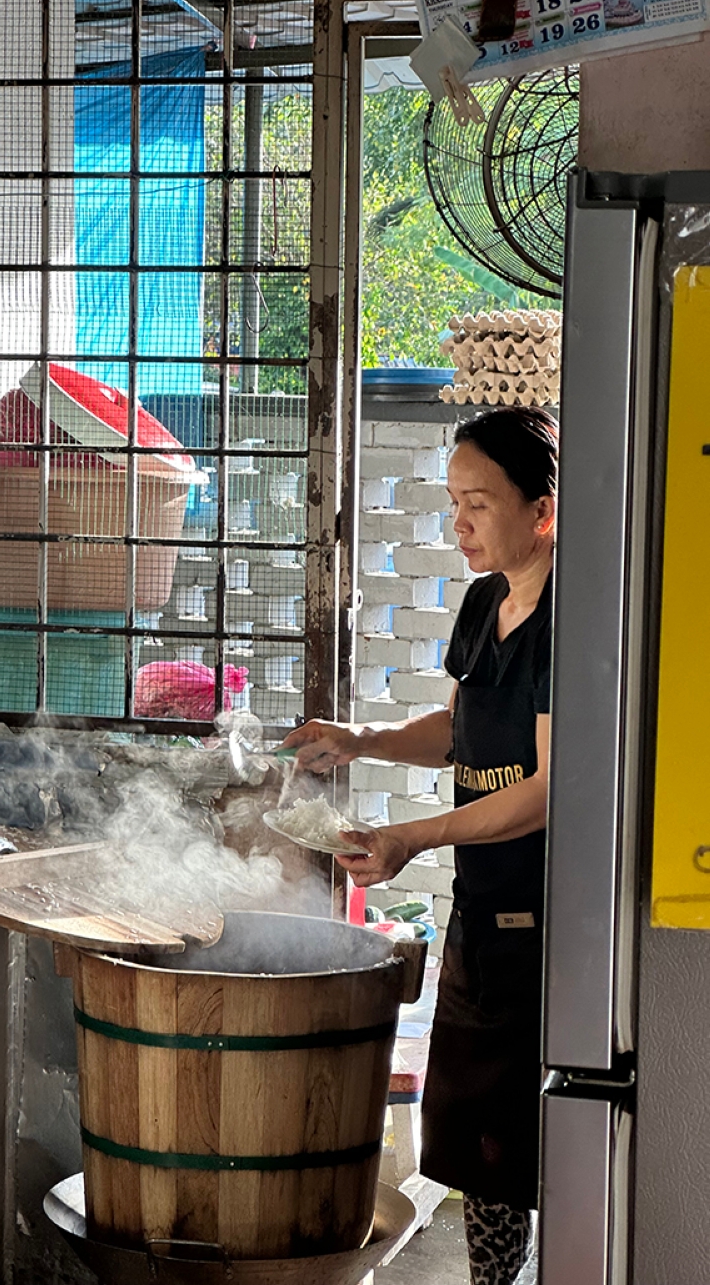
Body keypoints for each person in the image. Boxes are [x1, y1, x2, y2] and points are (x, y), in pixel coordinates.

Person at [282, 406, 558, 1285]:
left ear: (542, 510)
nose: (460, 522)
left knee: (544, 1141)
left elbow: (549, 792)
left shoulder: (576, 620)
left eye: (479, 502)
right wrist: (360, 737)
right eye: (453, 501)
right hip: (483, 914)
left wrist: (410, 836)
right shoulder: (483, 602)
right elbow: (456, 733)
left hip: (554, 926)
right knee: (481, 1148)